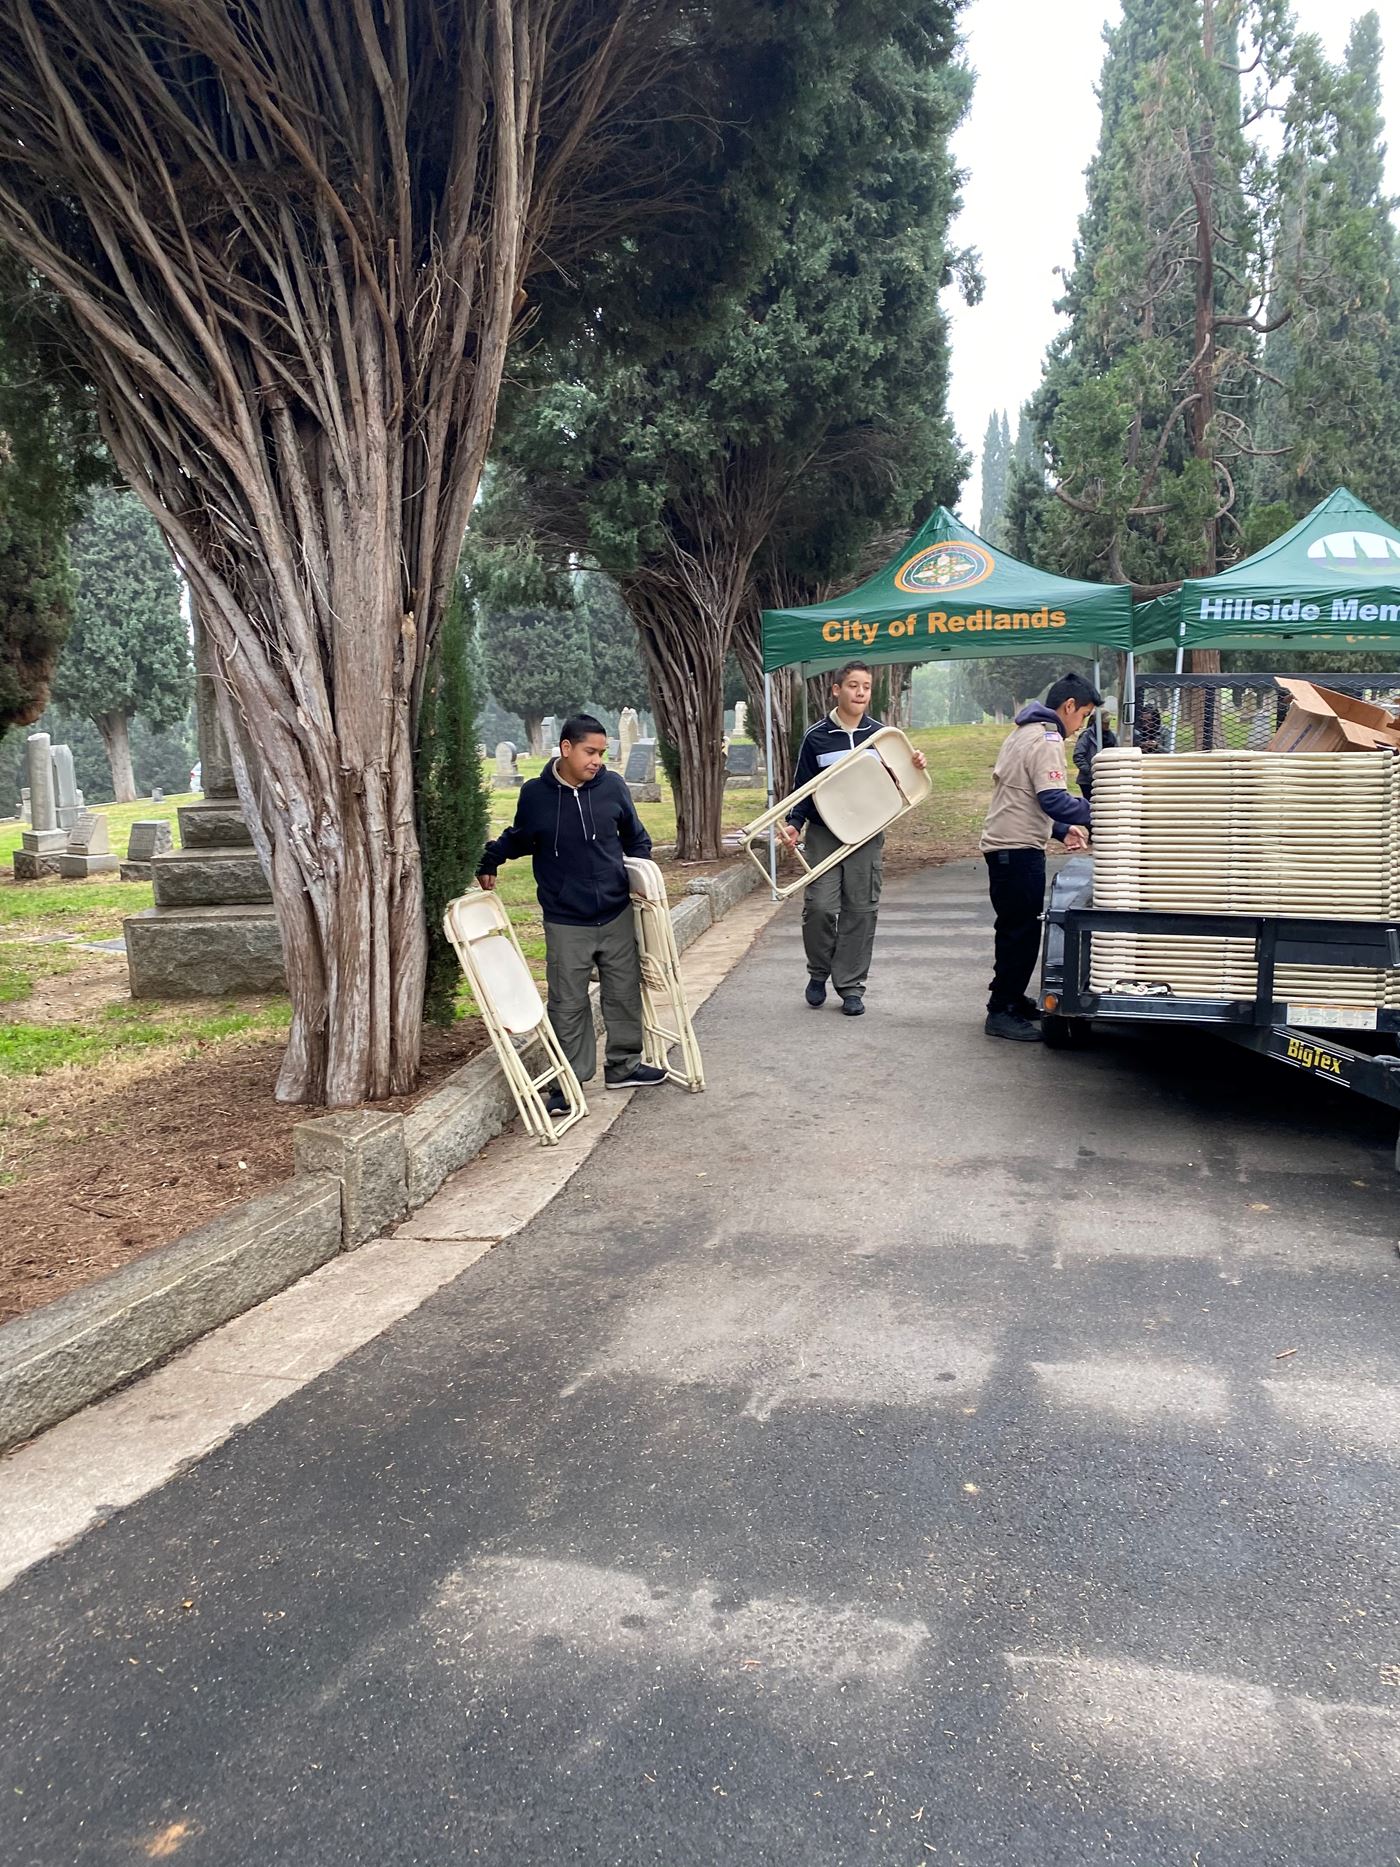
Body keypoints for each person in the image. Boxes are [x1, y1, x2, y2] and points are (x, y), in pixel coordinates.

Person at [476, 713, 666, 1112]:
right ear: (566, 748)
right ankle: (569, 1081)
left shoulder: (612, 787)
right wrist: (491, 859)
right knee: (567, 1003)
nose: (598, 760)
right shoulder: (535, 794)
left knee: (623, 992)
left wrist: (641, 880)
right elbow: (522, 837)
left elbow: (636, 838)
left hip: (616, 912)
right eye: (590, 751)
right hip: (566, 919)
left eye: (602, 753)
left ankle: (625, 1065)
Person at [779, 660, 927, 1017]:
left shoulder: (880, 737)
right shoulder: (816, 736)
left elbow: (900, 782)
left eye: (865, 687)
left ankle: (851, 986)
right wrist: (795, 823)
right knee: (819, 908)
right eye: (853, 686)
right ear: (837, 690)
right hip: (825, 834)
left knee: (861, 911)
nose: (860, 692)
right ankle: (818, 972)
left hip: (866, 835)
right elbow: (803, 788)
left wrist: (915, 765)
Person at [979, 672, 1100, 1043]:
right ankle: (1001, 1011)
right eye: (1084, 716)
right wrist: (1105, 809)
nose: (1082, 726)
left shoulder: (1022, 732)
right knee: (1020, 932)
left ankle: (1013, 999)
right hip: (1016, 850)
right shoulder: (1047, 738)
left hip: (1008, 846)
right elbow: (1053, 799)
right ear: (1068, 707)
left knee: (1018, 928)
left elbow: (1027, 799)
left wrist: (1063, 830)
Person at [1072, 705, 1117, 803]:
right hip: (1088, 781)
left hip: (1107, 778)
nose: (1107, 724)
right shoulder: (1087, 736)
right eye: (1104, 722)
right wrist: (1089, 772)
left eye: (1108, 721)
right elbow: (1078, 756)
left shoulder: (1112, 736)